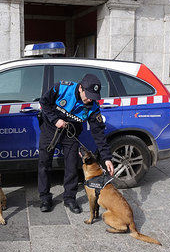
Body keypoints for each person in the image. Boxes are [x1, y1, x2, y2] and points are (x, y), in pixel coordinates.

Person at [38, 74, 114, 214]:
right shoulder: (62, 87)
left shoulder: (93, 106)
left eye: (94, 96)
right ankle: (45, 198)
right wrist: (55, 120)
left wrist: (107, 157)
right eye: (88, 95)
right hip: (50, 128)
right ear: (80, 88)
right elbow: (44, 102)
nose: (90, 99)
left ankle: (69, 198)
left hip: (71, 132)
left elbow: (98, 133)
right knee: (44, 163)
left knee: (72, 165)